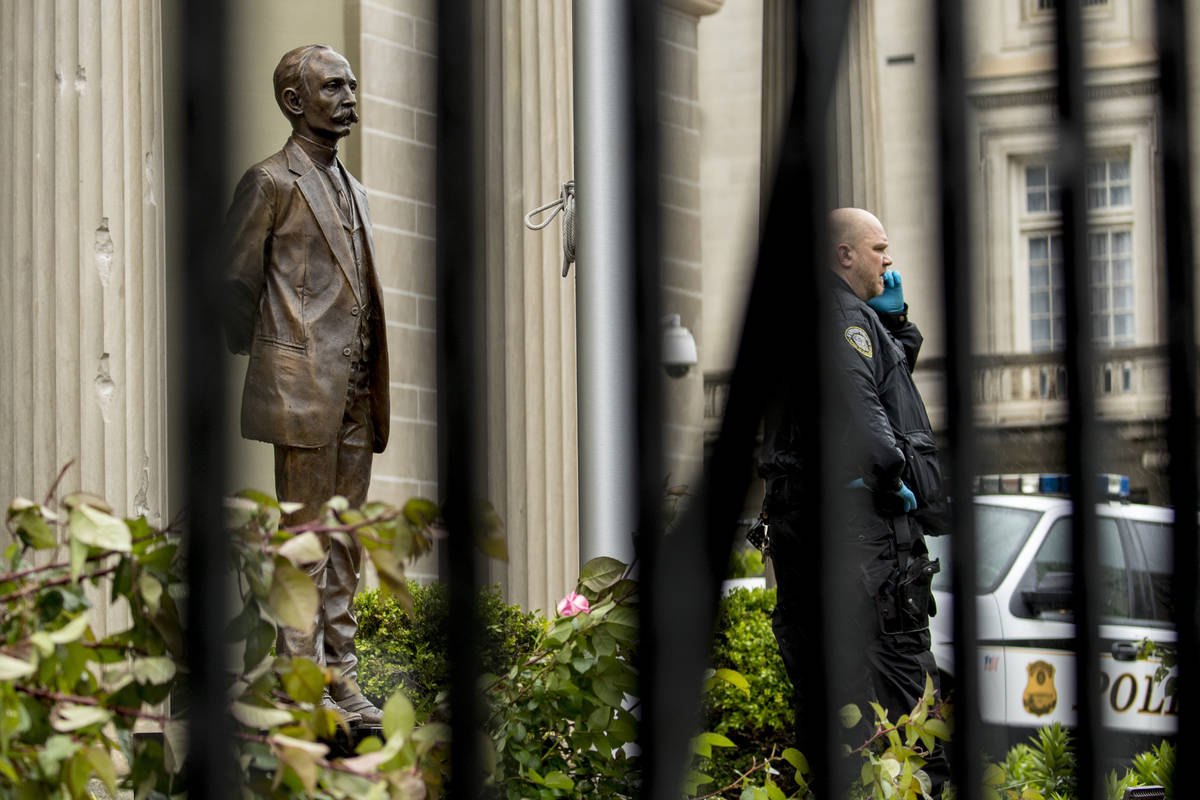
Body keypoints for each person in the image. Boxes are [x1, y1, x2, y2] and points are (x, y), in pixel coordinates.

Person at [222, 44, 390, 726]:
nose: (350, 94)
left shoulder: (359, 190)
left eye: (351, 83)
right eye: (333, 85)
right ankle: (298, 677)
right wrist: (274, 354)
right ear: (296, 101)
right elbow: (233, 283)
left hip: (357, 391)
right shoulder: (270, 182)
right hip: (302, 390)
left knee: (344, 538)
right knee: (303, 538)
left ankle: (340, 674)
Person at [758, 208, 948, 793]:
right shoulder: (840, 321)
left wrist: (894, 328)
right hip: (869, 558)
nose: (888, 262)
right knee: (915, 730)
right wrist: (890, 481)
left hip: (828, 553)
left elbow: (867, 385)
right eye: (878, 249)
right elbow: (873, 429)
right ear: (844, 255)